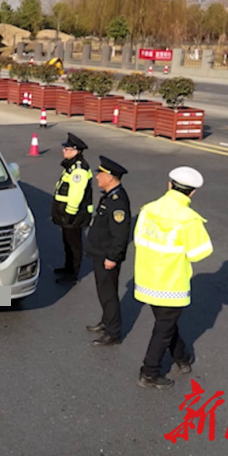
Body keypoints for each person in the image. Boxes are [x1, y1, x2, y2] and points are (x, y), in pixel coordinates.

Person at [133, 167, 214, 389]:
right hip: (171, 283)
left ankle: (183, 358)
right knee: (163, 328)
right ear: (192, 193)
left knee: (166, 324)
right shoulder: (189, 219)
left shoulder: (148, 210)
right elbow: (200, 253)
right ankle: (149, 372)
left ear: (169, 185)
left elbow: (139, 239)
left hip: (146, 280)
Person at [84, 156, 131, 347]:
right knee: (103, 292)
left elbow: (120, 235)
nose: (97, 177)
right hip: (99, 253)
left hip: (106, 256)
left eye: (100, 174)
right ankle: (106, 321)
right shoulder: (110, 195)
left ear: (110, 177)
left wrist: (112, 257)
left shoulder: (117, 201)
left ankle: (113, 333)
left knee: (108, 294)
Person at [51, 133, 93, 283]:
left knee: (74, 244)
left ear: (76, 151)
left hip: (74, 214)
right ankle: (68, 268)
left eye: (67, 149)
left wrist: (70, 213)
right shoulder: (72, 165)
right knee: (67, 242)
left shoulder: (79, 170)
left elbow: (76, 194)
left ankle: (73, 274)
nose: (64, 150)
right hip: (67, 213)